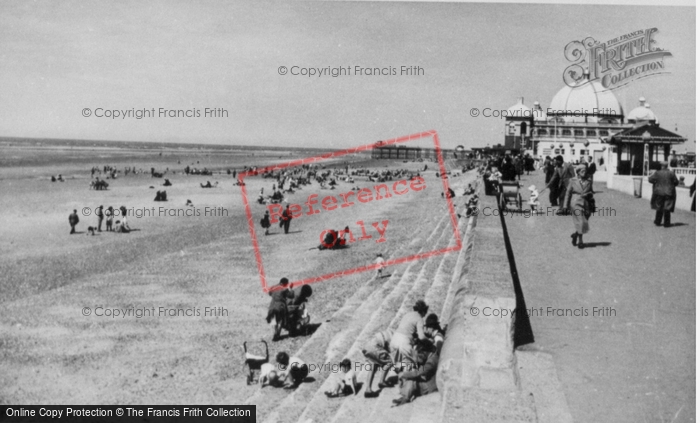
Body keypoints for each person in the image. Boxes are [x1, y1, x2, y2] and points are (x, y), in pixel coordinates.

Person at [392, 339, 439, 406]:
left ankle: (406, 398)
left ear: (425, 352)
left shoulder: (431, 362)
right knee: (410, 373)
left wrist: (403, 374)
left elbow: (418, 373)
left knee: (411, 377)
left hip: (429, 388)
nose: (419, 355)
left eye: (420, 353)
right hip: (428, 383)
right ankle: (405, 395)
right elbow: (421, 368)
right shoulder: (432, 357)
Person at [390, 300, 429, 369]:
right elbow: (421, 337)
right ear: (423, 311)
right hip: (404, 342)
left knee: (395, 364)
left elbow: (407, 328)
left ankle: (384, 379)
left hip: (395, 338)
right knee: (409, 363)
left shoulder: (407, 315)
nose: (424, 315)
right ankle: (404, 377)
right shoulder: (419, 319)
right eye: (425, 313)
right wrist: (429, 341)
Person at [564, 164, 594, 249]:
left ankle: (575, 235)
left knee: (584, 222)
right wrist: (565, 206)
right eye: (582, 171)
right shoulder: (573, 181)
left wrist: (588, 194)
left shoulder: (589, 180)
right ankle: (580, 241)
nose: (584, 173)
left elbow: (591, 191)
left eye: (585, 171)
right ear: (578, 172)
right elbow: (568, 193)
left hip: (586, 203)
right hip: (575, 203)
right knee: (581, 222)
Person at [362, 328, 394, 398]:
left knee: (373, 368)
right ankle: (381, 381)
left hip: (366, 347)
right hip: (375, 348)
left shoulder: (388, 332)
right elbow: (389, 350)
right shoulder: (393, 337)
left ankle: (368, 390)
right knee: (390, 362)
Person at [648, 162, 679, 228]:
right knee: (667, 207)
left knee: (659, 207)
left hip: (659, 192)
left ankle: (658, 221)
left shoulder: (657, 173)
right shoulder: (671, 173)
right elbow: (676, 182)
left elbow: (650, 180)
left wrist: (656, 183)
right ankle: (666, 223)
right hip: (669, 192)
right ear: (667, 166)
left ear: (662, 166)